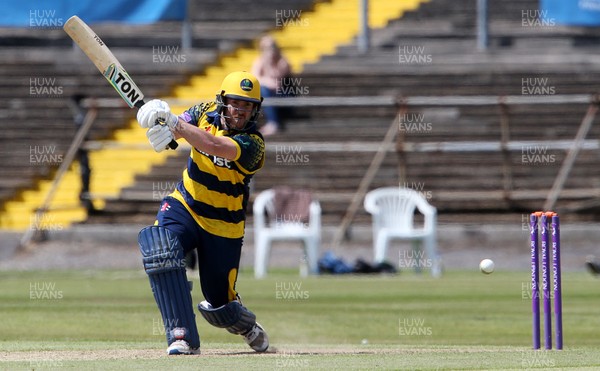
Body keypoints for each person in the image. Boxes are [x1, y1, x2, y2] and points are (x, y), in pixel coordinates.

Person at [135, 71, 269, 355]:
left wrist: (174, 125)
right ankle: (180, 336)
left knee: (220, 306)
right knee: (160, 248)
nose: (241, 111)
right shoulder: (204, 111)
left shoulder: (254, 144)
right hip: (186, 203)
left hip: (224, 226)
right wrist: (160, 123)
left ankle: (245, 325)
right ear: (222, 101)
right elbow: (180, 125)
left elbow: (214, 145)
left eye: (248, 106)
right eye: (236, 103)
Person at [251, 35, 291, 136]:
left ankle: (273, 122)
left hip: (282, 94)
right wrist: (267, 80)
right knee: (263, 90)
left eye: (272, 46)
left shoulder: (282, 61)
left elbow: (278, 82)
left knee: (264, 91)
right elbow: (254, 79)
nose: (270, 50)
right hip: (268, 94)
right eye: (266, 47)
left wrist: (269, 64)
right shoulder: (259, 61)